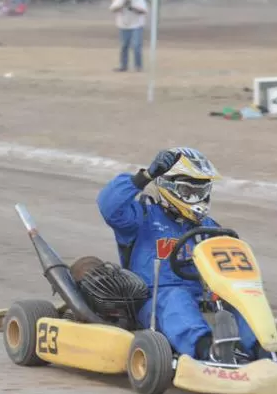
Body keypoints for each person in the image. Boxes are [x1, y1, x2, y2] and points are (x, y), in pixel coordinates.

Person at [97, 147, 256, 364]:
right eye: (190, 191)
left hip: (202, 298)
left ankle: (262, 348)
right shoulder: (142, 216)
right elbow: (109, 206)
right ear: (169, 187)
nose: (197, 198)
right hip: (153, 300)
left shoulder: (208, 227)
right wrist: (146, 176)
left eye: (202, 192)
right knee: (176, 298)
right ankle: (207, 350)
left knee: (239, 299)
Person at [109, 0, 148, 72]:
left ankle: (138, 66)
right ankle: (123, 65)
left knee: (136, 45)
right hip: (123, 25)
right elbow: (112, 9)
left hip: (136, 25)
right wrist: (122, 5)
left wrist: (132, 8)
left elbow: (143, 11)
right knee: (124, 46)